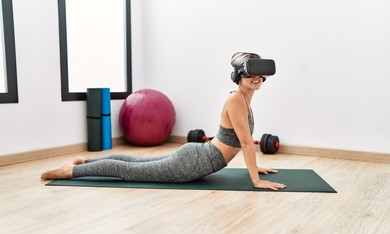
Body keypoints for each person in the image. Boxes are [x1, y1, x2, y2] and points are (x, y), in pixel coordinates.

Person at [41, 52, 286, 190]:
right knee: (130, 172)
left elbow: (237, 142)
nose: (256, 79)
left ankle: (84, 160)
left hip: (198, 154)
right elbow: (244, 142)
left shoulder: (245, 99)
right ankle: (70, 172)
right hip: (195, 163)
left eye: (259, 74)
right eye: (250, 74)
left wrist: (257, 167)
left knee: (136, 162)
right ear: (239, 77)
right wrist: (255, 179)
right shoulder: (235, 100)